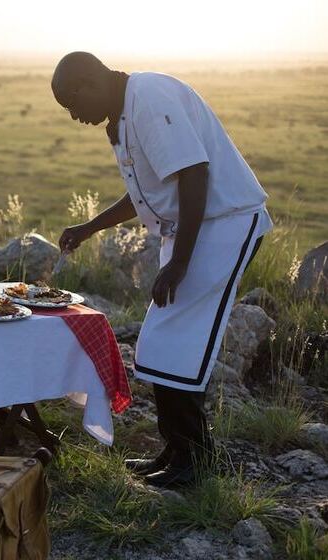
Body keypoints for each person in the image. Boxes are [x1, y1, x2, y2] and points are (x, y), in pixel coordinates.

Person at [51, 52, 272, 488]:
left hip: (223, 224)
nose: (76, 117)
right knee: (156, 345)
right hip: (193, 228)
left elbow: (194, 175)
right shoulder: (125, 113)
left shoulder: (149, 96)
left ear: (90, 81)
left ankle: (194, 461)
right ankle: (180, 450)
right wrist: (90, 227)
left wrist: (179, 263)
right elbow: (147, 193)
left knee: (178, 345)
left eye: (73, 104)